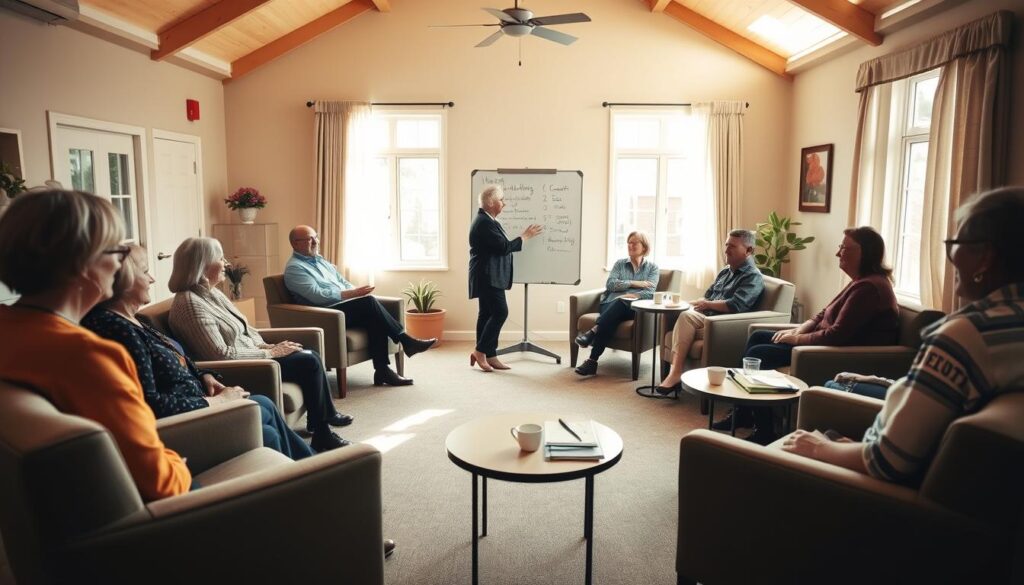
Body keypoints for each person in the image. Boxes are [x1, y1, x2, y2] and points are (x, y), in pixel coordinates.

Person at [782, 187, 1024, 484]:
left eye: (956, 242)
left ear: (985, 257)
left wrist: (821, 448)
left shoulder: (966, 337)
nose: (951, 255)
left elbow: (888, 461)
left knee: (799, 443)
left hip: (891, 500)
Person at [0, 189, 191, 501]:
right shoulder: (88, 356)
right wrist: (178, 464)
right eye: (117, 251)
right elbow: (163, 485)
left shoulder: (11, 330)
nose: (120, 265)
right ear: (81, 264)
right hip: (155, 524)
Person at [83, 244, 314, 460]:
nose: (153, 279)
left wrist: (205, 375)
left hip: (198, 401)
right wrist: (218, 402)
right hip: (185, 421)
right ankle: (310, 471)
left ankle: (310, 468)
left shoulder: (132, 320)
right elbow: (151, 404)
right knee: (265, 426)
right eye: (145, 272)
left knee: (264, 405)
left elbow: (179, 357)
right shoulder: (116, 330)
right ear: (125, 280)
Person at [167, 237, 351, 453]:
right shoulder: (190, 304)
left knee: (307, 353)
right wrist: (271, 353)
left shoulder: (212, 293)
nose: (226, 263)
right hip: (238, 368)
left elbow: (246, 329)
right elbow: (220, 354)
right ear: (203, 265)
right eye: (220, 258)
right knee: (308, 360)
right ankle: (322, 431)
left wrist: (268, 346)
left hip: (253, 355)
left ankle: (321, 424)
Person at [732, 226, 900, 444]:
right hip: (821, 344)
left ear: (863, 252)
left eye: (844, 248)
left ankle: (764, 431)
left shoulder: (869, 288)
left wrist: (797, 339)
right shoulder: (860, 280)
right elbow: (824, 313)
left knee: (760, 353)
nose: (838, 253)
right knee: (759, 337)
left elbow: (836, 335)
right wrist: (799, 329)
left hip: (833, 353)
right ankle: (745, 413)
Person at [284, 225, 436, 386]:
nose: (315, 241)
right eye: (309, 239)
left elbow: (342, 282)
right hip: (325, 314)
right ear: (295, 244)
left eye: (315, 237)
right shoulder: (295, 268)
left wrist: (355, 292)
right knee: (369, 303)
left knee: (374, 317)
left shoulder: (320, 260)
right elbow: (317, 296)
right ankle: (406, 341)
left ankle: (383, 371)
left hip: (342, 306)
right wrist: (353, 295)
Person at [654, 229, 766, 393]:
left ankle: (676, 373)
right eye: (726, 245)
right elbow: (707, 297)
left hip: (723, 325)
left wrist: (707, 305)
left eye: (732, 246)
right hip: (706, 318)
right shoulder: (725, 271)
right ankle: (674, 373)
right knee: (680, 311)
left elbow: (735, 305)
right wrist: (686, 303)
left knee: (685, 317)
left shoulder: (753, 277)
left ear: (749, 251)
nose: (726, 250)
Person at [468, 184, 543, 372]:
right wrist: (525, 236)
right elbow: (503, 247)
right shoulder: (484, 222)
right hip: (487, 276)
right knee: (500, 312)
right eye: (501, 199)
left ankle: (490, 355)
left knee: (486, 314)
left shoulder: (488, 220)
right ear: (492, 202)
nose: (505, 203)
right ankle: (480, 352)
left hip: (488, 275)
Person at [574, 231, 660, 376]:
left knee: (621, 302)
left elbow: (650, 292)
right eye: (629, 242)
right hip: (610, 304)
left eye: (635, 243)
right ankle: (592, 361)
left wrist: (630, 294)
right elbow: (611, 285)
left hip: (634, 308)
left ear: (644, 247)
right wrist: (635, 283)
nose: (630, 245)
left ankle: (593, 332)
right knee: (616, 309)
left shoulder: (652, 268)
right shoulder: (620, 264)